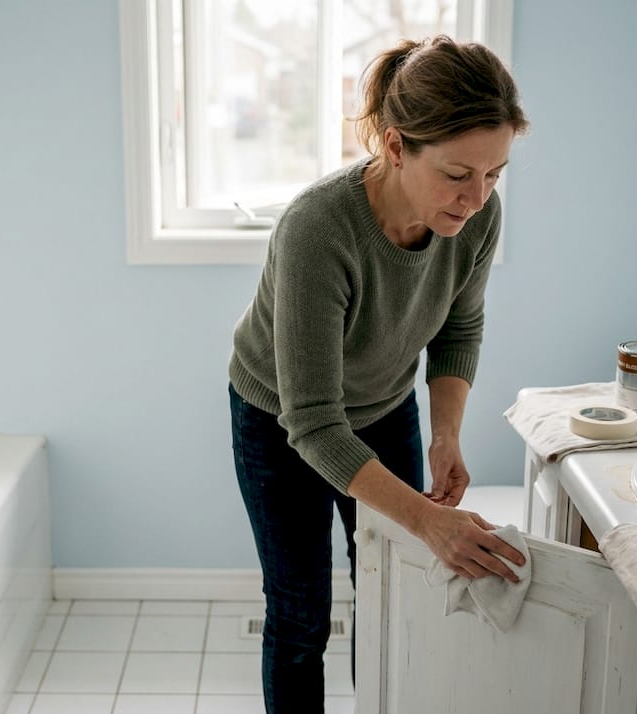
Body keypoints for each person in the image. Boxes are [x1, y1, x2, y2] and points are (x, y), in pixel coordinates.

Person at [227, 35, 530, 712]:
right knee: (301, 610)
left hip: (384, 406)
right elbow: (312, 422)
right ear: (395, 147)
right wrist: (428, 520)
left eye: (494, 174)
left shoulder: (477, 219)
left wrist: (446, 434)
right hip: (282, 422)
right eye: (457, 174)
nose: (477, 198)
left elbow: (458, 325)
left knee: (389, 591)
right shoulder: (318, 229)